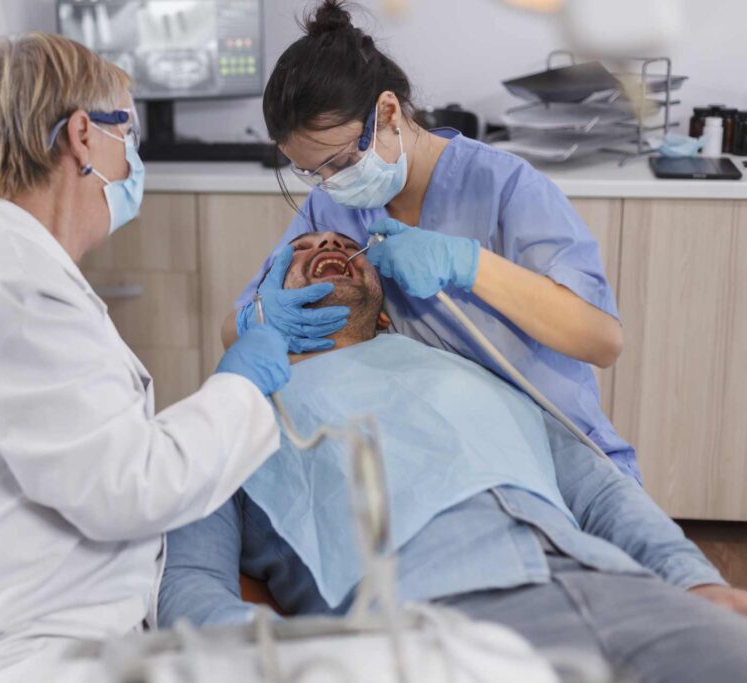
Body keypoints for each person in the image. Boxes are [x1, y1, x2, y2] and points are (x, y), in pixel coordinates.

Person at [0, 33, 300, 682]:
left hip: (39, 627)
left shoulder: (11, 274)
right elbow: (132, 484)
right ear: (82, 137)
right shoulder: (8, 292)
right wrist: (243, 379)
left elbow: (104, 453)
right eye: (131, 135)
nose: (135, 163)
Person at [161, 231, 747, 682]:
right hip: (436, 627)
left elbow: (599, 492)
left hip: (616, 586)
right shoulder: (230, 409)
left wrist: (693, 581)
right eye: (302, 250)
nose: (328, 246)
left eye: (341, 244)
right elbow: (190, 582)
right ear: (260, 307)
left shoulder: (468, 370)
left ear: (384, 313)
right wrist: (300, 660)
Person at [221, 0, 641, 481]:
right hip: (439, 458)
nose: (330, 182)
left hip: (553, 449)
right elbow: (232, 331)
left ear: (388, 111)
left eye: (338, 162)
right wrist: (261, 316)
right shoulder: (329, 208)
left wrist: (469, 265)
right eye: (309, 172)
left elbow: (603, 342)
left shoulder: (505, 189)